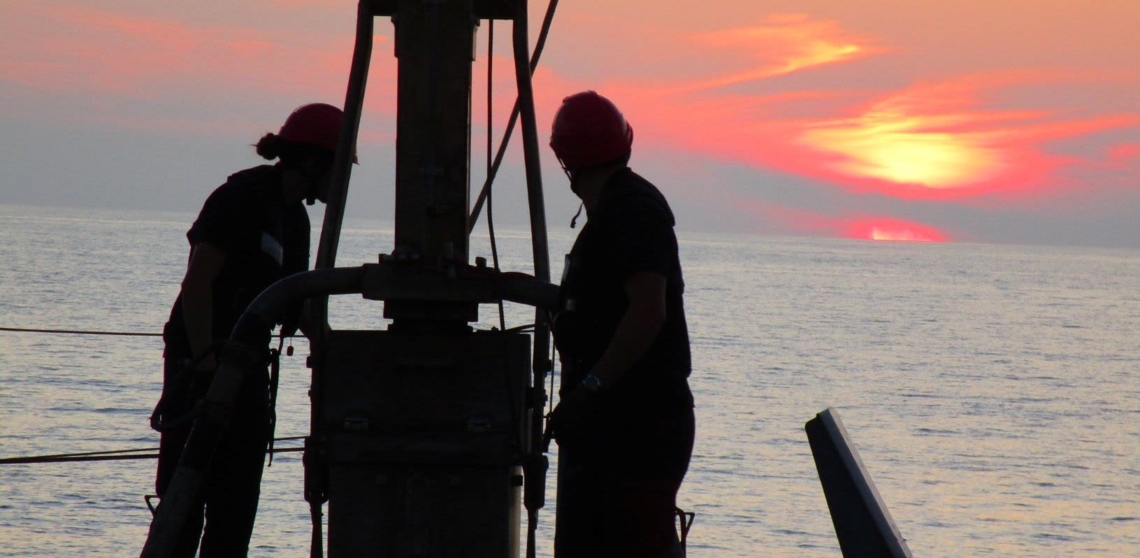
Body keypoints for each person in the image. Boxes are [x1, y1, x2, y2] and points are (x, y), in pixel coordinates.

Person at [152, 102, 350, 557]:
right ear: (315, 162)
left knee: (236, 502)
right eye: (339, 168)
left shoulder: (294, 221)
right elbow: (198, 283)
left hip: (247, 370)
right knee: (185, 496)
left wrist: (332, 351)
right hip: (202, 362)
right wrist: (206, 366)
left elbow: (294, 301)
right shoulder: (241, 197)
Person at [547, 91, 695, 558]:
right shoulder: (616, 214)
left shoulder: (632, 213)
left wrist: (589, 389)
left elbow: (648, 311)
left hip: (635, 432)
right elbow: (606, 306)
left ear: (565, 159)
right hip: (618, 432)